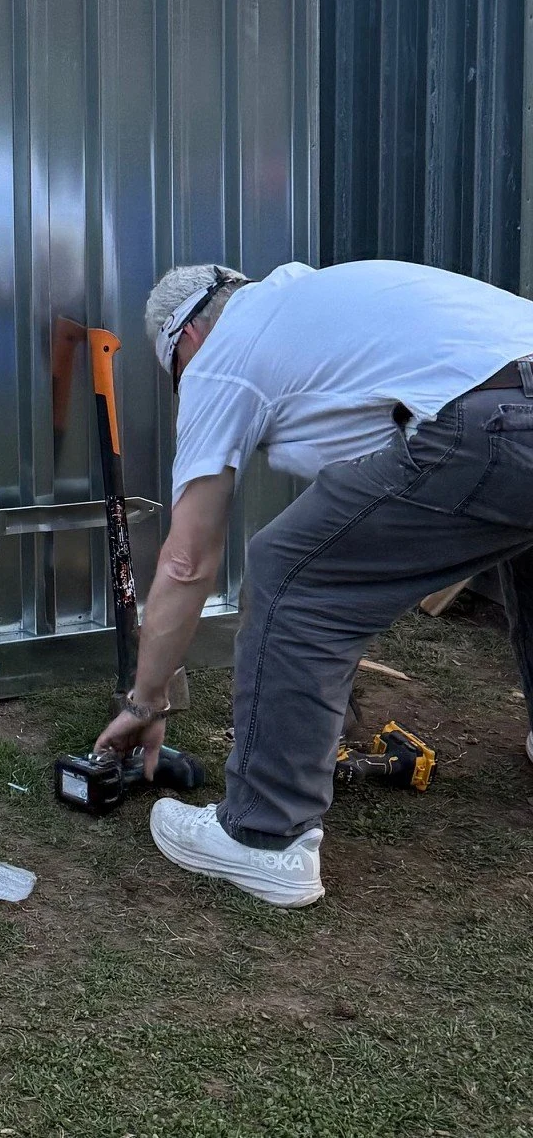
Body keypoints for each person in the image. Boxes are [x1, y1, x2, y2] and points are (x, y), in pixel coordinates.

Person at [94, 259, 533, 907]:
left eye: (176, 377)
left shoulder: (222, 356)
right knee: (518, 531)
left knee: (288, 574)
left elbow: (188, 562)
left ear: (185, 341)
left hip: (488, 422)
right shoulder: (305, 302)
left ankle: (266, 835)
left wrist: (146, 699)